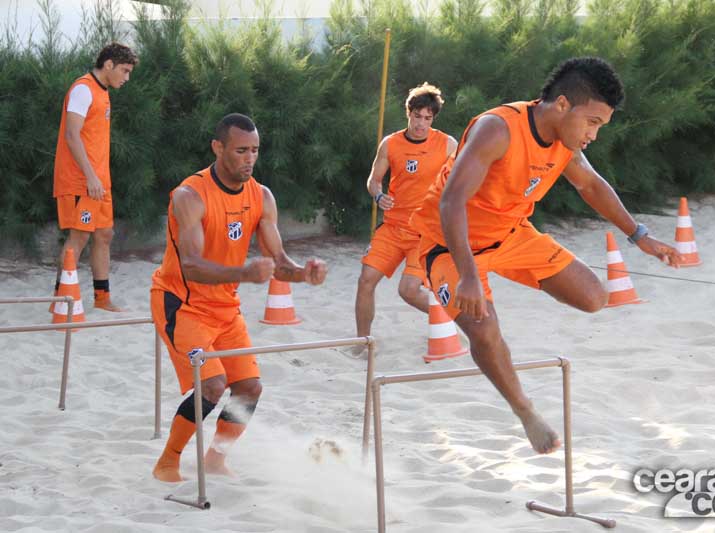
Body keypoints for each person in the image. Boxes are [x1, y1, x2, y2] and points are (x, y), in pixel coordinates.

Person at [410, 57, 680, 454]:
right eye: (593, 123)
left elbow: (590, 184)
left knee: (595, 297)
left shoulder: (565, 143)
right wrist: (468, 276)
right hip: (451, 244)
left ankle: (495, 292)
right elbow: (452, 203)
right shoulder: (497, 129)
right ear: (563, 105)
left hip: (512, 236)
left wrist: (639, 235)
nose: (594, 135)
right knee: (483, 328)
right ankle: (525, 411)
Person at [150, 113, 327, 482]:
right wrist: (243, 273)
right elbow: (193, 266)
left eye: (255, 151)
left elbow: (279, 262)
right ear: (218, 148)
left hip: (225, 306)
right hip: (182, 303)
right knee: (213, 386)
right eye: (241, 150)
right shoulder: (190, 195)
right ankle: (168, 460)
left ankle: (216, 457)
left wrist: (303, 274)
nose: (249, 159)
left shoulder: (261, 196)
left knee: (249, 387)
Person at [354, 83, 457, 353]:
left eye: (428, 118)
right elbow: (373, 181)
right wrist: (378, 196)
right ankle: (362, 343)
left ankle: (452, 317)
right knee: (366, 280)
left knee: (408, 290)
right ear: (408, 113)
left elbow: (462, 182)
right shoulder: (391, 144)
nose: (421, 124)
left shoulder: (447, 144)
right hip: (393, 227)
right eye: (417, 116)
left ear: (433, 118)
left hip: (424, 233)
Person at [52, 42, 138, 312]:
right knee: (78, 238)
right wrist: (90, 176)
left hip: (100, 181)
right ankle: (60, 301)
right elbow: (71, 135)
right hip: (81, 181)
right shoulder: (82, 89)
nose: (126, 78)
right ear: (108, 64)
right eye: (124, 71)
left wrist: (98, 178)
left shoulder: (102, 91)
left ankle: (102, 298)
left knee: (104, 235)